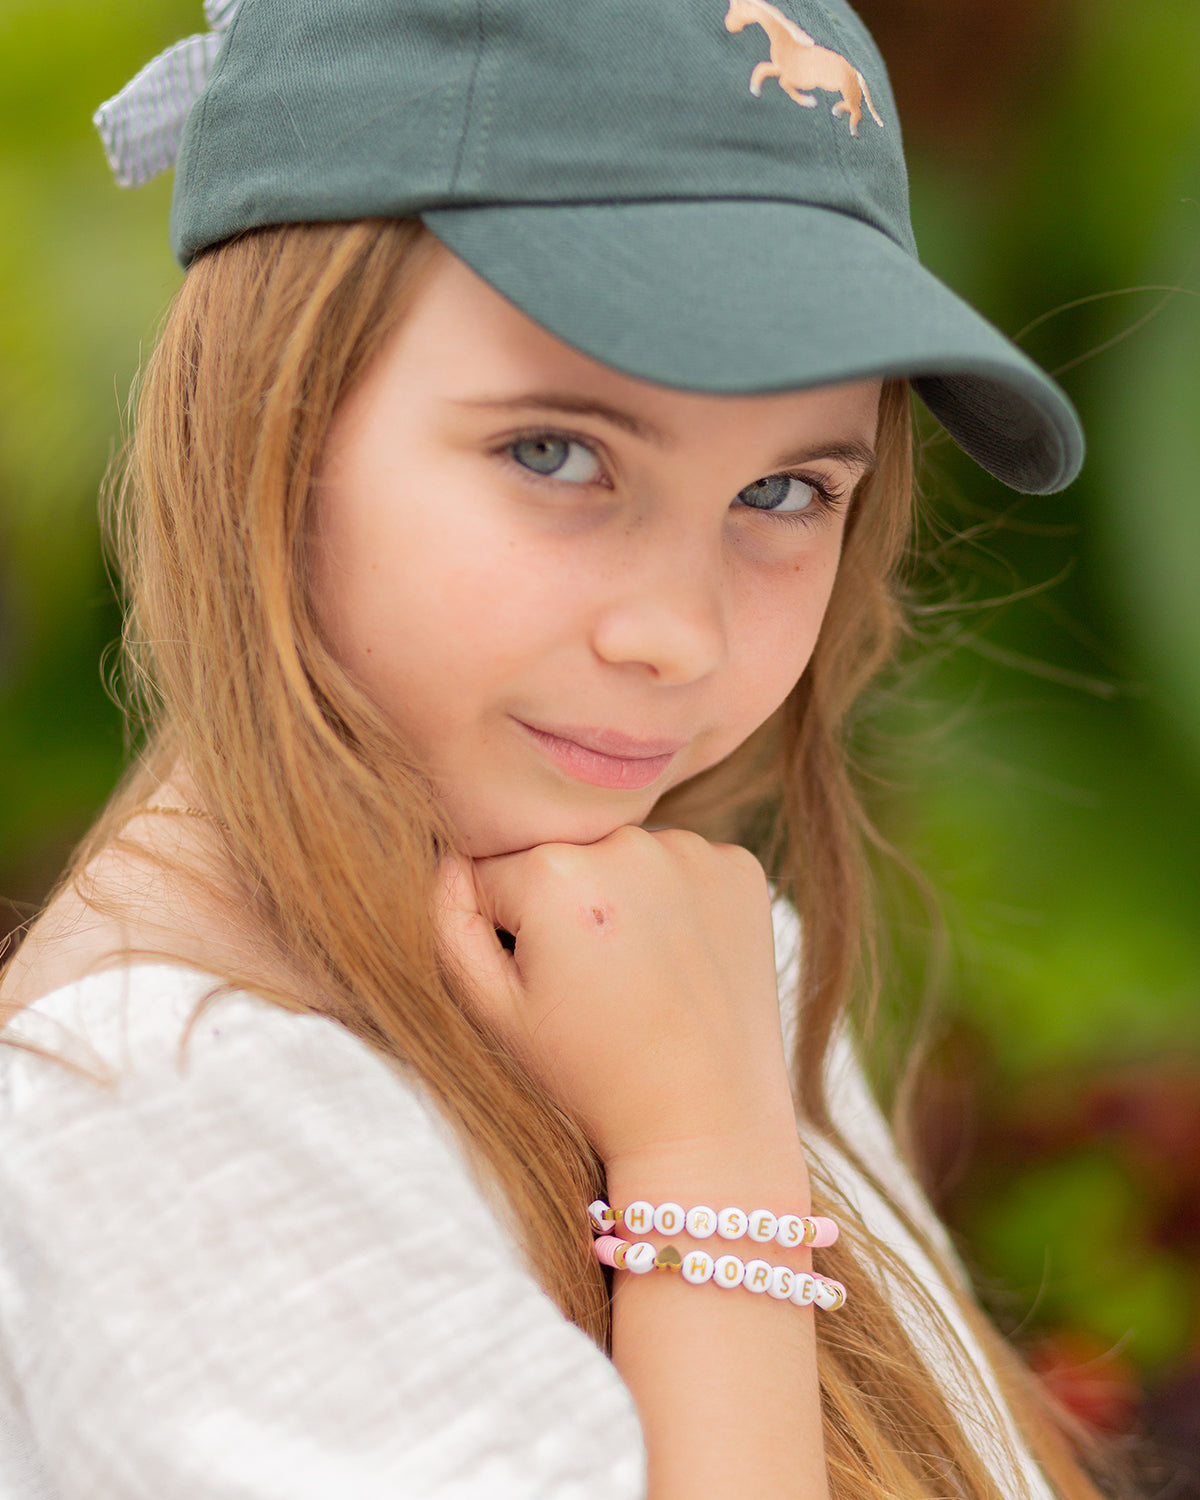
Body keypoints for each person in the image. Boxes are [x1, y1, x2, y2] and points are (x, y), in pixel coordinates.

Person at [0, 1, 1110, 1496]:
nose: (679, 635)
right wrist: (702, 1163)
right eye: (556, 453)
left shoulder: (689, 952)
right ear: (266, 420)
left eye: (785, 491)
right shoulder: (166, 1118)